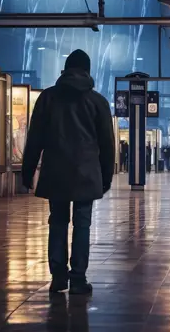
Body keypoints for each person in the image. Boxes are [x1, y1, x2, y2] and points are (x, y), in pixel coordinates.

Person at [22, 49, 114, 295]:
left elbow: (35, 138)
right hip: (86, 173)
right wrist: (106, 177)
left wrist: (27, 171)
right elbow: (107, 144)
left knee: (58, 221)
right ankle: (79, 278)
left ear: (65, 69)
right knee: (82, 224)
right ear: (87, 70)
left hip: (56, 171)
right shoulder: (97, 102)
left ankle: (58, 277)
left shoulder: (48, 98)